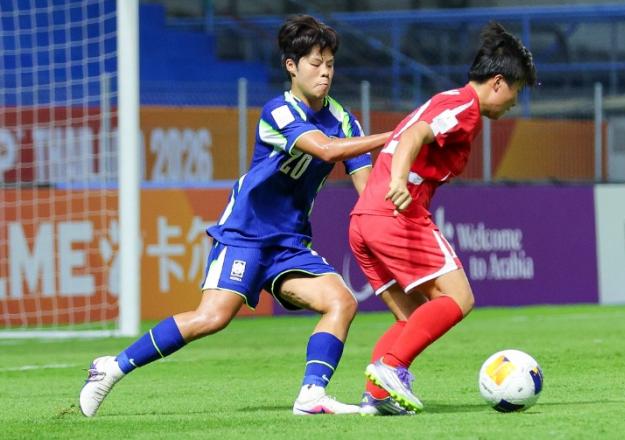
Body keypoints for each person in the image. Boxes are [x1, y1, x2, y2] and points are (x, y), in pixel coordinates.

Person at [79, 14, 391, 417]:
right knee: (212, 317)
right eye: (315, 63)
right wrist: (395, 135)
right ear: (291, 66)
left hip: (290, 243)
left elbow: (368, 189)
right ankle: (111, 367)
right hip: (246, 234)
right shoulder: (278, 112)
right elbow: (327, 150)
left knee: (341, 301)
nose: (325, 72)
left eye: (330, 64)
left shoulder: (345, 120)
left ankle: (312, 395)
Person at [348, 21, 537, 415]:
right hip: (395, 213)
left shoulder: (449, 100)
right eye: (516, 92)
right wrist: (398, 180)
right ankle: (391, 368)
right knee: (459, 297)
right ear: (498, 83)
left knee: (412, 318)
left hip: (364, 218)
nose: (513, 103)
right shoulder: (465, 107)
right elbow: (415, 135)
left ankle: (376, 395)